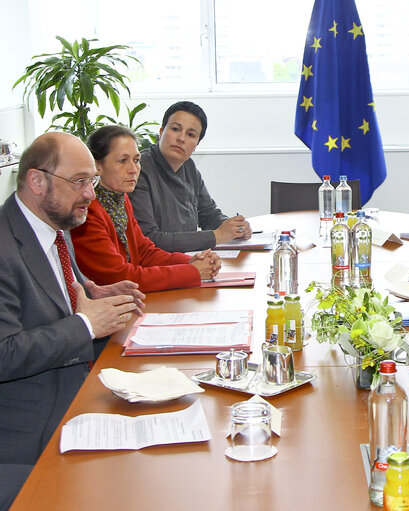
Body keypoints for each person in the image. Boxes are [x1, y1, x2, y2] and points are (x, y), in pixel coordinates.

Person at [0, 132, 144, 508]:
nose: (91, 195)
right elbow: (4, 353)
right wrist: (85, 325)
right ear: (37, 181)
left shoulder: (54, 229)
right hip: (29, 433)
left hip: (80, 391)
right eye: (80, 182)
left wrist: (96, 293)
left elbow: (59, 299)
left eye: (92, 181)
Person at [71, 126, 221, 292]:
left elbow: (145, 252)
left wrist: (192, 261)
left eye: (136, 160)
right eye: (122, 161)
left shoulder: (121, 199)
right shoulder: (87, 212)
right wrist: (192, 271)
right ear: (98, 167)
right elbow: (121, 277)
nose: (133, 169)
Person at [129, 101, 253, 252]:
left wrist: (234, 227)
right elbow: (149, 238)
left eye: (191, 134)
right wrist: (217, 236)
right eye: (175, 129)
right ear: (161, 132)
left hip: (187, 258)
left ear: (196, 145)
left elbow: (208, 213)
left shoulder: (189, 167)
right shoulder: (139, 170)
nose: (181, 138)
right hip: (157, 264)